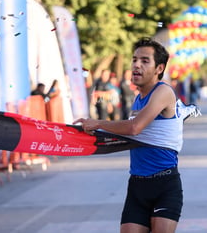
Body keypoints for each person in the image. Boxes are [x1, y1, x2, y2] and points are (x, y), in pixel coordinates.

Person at [74, 37, 192, 233]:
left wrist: (98, 123)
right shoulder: (139, 98)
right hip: (137, 186)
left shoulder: (163, 92)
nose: (136, 65)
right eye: (134, 59)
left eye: (145, 61)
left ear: (159, 68)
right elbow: (129, 133)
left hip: (165, 184)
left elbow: (134, 128)